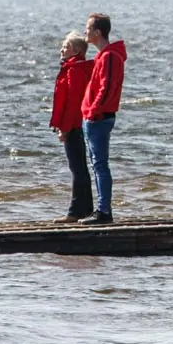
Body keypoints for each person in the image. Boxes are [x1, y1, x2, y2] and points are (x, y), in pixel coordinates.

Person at [78, 12, 127, 225]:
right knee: (97, 164)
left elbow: (107, 88)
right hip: (93, 117)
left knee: (100, 165)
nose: (85, 32)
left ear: (97, 32)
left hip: (99, 118)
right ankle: (100, 209)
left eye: (87, 28)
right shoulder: (103, 55)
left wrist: (94, 111)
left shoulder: (109, 56)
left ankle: (104, 211)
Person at [49, 31, 95, 222]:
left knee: (77, 169)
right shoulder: (73, 68)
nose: (62, 49)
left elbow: (73, 102)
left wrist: (65, 128)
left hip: (75, 125)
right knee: (80, 169)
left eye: (66, 46)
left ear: (76, 50)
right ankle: (86, 209)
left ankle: (76, 211)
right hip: (76, 124)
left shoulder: (75, 70)